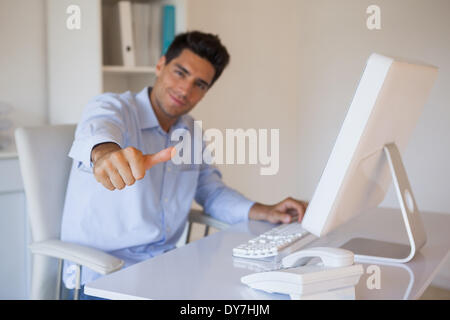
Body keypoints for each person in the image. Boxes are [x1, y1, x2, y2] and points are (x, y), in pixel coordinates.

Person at [61, 31, 308, 298]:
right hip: (102, 278)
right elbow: (98, 129)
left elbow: (211, 191)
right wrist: (107, 153)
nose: (185, 89)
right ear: (160, 65)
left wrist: (265, 211)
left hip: (162, 270)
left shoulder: (189, 132)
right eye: (180, 73)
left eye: (200, 84)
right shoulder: (114, 107)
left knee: (264, 295)